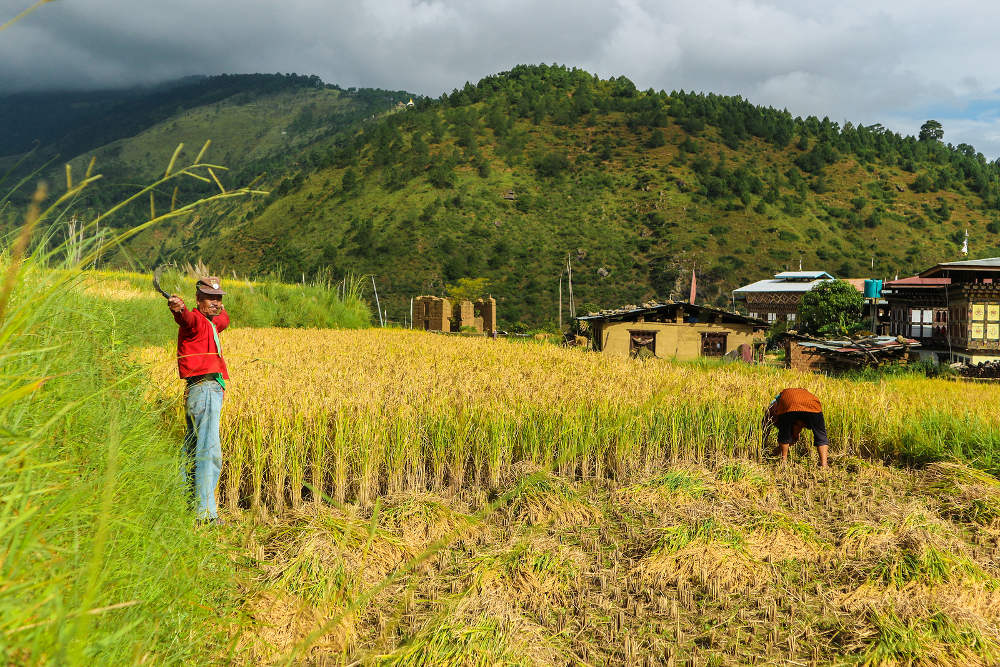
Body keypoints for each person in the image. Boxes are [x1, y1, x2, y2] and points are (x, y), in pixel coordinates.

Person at [167, 277, 229, 523]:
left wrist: (218, 307)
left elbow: (224, 318)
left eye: (219, 298)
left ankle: (182, 504)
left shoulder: (212, 323)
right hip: (204, 390)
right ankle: (205, 514)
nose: (215, 303)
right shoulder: (194, 323)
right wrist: (179, 309)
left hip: (199, 392)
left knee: (192, 449)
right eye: (210, 298)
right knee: (209, 451)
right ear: (198, 300)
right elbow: (186, 318)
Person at [764, 387, 829, 468]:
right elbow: (795, 434)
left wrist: (764, 442)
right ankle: (824, 465)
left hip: (789, 403)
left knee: (784, 432)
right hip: (813, 405)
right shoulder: (800, 395)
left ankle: (783, 462)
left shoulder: (774, 405)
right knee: (820, 434)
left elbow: (772, 428)